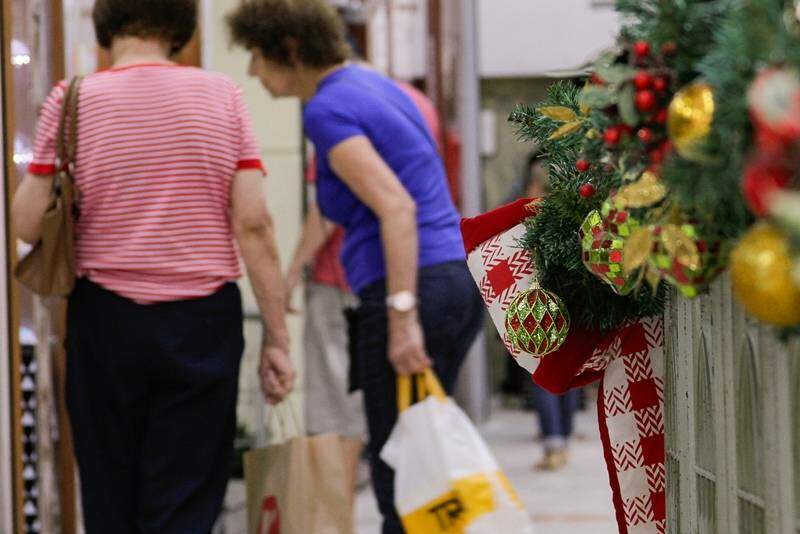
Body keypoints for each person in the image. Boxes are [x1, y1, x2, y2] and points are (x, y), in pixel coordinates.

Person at [12, 1, 294, 532]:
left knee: (110, 491)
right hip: (203, 323)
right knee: (187, 497)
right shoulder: (222, 96)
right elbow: (254, 224)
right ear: (180, 28)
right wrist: (277, 338)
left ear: (106, 25)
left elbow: (27, 226)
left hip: (105, 322)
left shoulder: (71, 100)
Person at [227, 2, 484, 532]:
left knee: (402, 480)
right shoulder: (375, 88)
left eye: (256, 55)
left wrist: (401, 314)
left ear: (290, 49)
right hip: (453, 280)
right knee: (422, 472)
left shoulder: (327, 110)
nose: (252, 71)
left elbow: (396, 206)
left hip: (413, 286)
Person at [508, 151, 580, 470]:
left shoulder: (530, 219)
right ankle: (563, 434)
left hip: (538, 303)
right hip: (572, 301)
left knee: (540, 371)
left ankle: (554, 443)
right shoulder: (575, 217)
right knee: (565, 367)